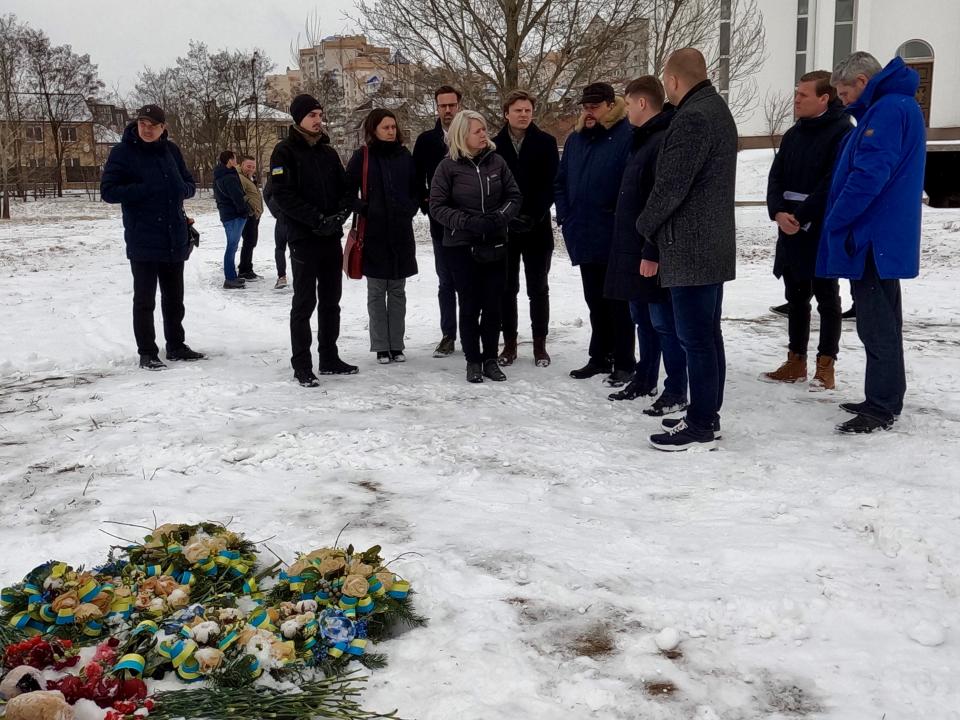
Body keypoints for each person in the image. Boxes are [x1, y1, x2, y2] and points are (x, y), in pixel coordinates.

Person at [817, 52, 926, 434]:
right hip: (879, 236)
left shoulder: (885, 112)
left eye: (844, 92)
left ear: (862, 82)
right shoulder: (895, 107)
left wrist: (836, 217)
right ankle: (884, 394)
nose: (842, 99)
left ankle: (881, 407)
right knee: (883, 321)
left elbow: (868, 176)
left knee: (876, 324)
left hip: (872, 238)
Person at [636, 48, 738, 451]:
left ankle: (700, 424)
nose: (666, 86)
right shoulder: (716, 109)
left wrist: (643, 225)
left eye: (665, 80)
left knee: (697, 339)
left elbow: (671, 186)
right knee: (707, 337)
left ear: (674, 80)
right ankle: (705, 413)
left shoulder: (693, 118)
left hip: (691, 247)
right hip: (709, 244)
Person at [762, 71, 852, 391]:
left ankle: (825, 365)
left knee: (827, 298)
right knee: (796, 297)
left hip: (820, 230)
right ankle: (795, 360)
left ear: (824, 98)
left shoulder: (842, 132)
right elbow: (776, 177)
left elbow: (832, 183)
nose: (796, 100)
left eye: (803, 95)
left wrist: (801, 216)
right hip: (789, 229)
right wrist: (778, 212)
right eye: (796, 93)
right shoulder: (793, 134)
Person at [604, 76, 688, 416]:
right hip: (631, 247)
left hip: (650, 250)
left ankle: (675, 389)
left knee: (664, 322)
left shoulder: (662, 140)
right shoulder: (641, 139)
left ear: (641, 103)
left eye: (627, 101)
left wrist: (651, 249)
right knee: (643, 317)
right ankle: (645, 376)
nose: (624, 109)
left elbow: (662, 201)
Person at [100, 104, 204, 369]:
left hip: (173, 236)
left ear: (163, 128)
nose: (146, 129)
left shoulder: (171, 150)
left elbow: (190, 184)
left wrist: (183, 189)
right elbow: (109, 191)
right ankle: (147, 352)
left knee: (174, 298)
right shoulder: (122, 152)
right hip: (142, 236)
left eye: (153, 124)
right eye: (142, 123)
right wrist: (144, 189)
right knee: (145, 300)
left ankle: (176, 345)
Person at [268, 93, 355, 387]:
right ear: (299, 119)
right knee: (304, 302)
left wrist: (339, 216)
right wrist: (316, 219)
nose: (318, 120)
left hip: (330, 237)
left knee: (332, 301)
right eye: (312, 116)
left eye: (320, 114)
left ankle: (329, 357)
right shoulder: (284, 152)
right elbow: (283, 195)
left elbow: (345, 188)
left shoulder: (328, 152)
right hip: (304, 238)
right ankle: (302, 364)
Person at [430, 110, 522, 383]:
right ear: (462, 135)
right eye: (477, 131)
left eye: (484, 129)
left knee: (493, 305)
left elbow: (514, 196)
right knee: (469, 305)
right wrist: (467, 221)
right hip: (461, 246)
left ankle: (491, 359)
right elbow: (437, 206)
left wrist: (498, 218)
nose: (484, 135)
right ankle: (473, 360)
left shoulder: (497, 162)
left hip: (495, 243)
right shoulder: (447, 167)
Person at [554, 81, 636, 386]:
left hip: (614, 234)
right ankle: (599, 357)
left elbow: (632, 185)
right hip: (584, 233)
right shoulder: (576, 140)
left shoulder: (626, 136)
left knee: (619, 302)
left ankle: (625, 361)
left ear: (610, 105)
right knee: (595, 301)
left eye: (595, 107)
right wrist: (565, 215)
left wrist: (619, 219)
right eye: (585, 107)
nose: (589, 113)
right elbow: (560, 182)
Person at [345, 109, 419, 364]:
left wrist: (410, 208)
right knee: (377, 290)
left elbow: (417, 189)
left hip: (400, 233)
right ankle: (380, 345)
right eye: (385, 127)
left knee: (397, 290)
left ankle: (396, 344)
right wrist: (365, 208)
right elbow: (346, 192)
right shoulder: (362, 157)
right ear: (374, 129)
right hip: (373, 233)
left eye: (393, 127)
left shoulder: (405, 156)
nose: (391, 131)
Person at [493, 90, 559, 367]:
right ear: (506, 113)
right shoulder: (494, 145)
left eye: (527, 110)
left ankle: (540, 345)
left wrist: (534, 214)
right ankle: (509, 344)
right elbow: (491, 186)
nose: (523, 115)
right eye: (517, 110)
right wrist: (507, 216)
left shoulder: (545, 142)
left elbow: (552, 184)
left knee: (538, 288)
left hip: (537, 226)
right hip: (505, 228)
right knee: (507, 289)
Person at [414, 86, 462, 358]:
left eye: (452, 105)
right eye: (442, 106)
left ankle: (473, 331)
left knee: (469, 280)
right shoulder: (426, 141)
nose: (447, 110)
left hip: (469, 223)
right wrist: (426, 204)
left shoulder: (471, 135)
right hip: (440, 225)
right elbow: (416, 177)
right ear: (436, 107)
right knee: (446, 282)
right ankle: (448, 334)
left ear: (459, 105)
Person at [212, 150, 249, 289]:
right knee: (231, 246)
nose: (236, 160)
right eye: (234, 158)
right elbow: (237, 197)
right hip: (233, 215)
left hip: (227, 214)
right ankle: (230, 278)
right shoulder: (228, 177)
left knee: (232, 246)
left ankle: (232, 275)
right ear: (229, 160)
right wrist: (244, 211)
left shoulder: (220, 175)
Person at [237, 155, 264, 281]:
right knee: (249, 242)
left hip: (255, 215)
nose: (251, 169)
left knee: (251, 242)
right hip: (248, 215)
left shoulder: (250, 177)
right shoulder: (240, 178)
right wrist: (250, 209)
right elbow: (239, 196)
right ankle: (245, 270)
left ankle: (246, 267)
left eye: (253, 167)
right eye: (248, 166)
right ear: (241, 165)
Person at [261, 173, 289, 289]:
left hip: (282, 217)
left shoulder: (278, 170)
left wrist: (276, 212)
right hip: (297, 218)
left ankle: (282, 277)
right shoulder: (304, 169)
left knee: (280, 248)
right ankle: (302, 276)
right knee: (298, 248)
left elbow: (267, 193)